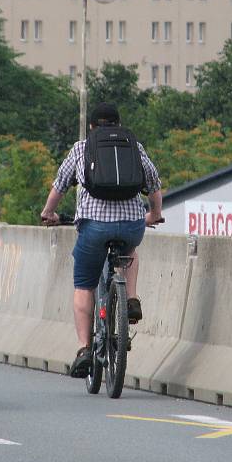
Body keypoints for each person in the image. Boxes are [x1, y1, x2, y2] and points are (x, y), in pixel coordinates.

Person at [40, 102, 163, 378]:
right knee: (130, 250)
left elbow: (59, 185)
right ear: (118, 124)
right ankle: (130, 298)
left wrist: (48, 213)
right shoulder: (135, 147)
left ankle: (84, 349)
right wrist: (154, 214)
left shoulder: (81, 148)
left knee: (84, 285)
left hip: (94, 228)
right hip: (132, 225)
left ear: (92, 127)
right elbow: (154, 185)